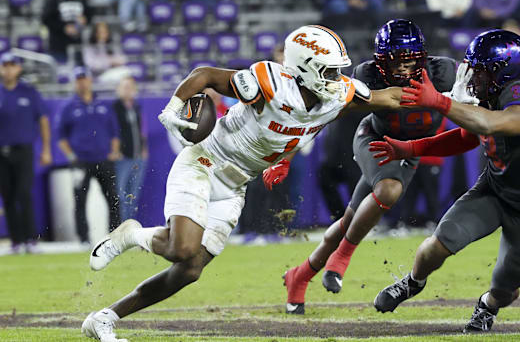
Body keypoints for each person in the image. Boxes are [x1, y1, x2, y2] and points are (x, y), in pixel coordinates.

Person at [80, 25, 404, 342]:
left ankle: (104, 319)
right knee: (182, 249)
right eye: (328, 71)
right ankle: (132, 234)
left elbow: (389, 98)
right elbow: (205, 74)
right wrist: (175, 105)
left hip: (236, 185)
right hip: (205, 163)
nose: (336, 79)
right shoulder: (271, 83)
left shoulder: (338, 95)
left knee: (190, 270)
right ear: (305, 68)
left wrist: (443, 100)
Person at [370, 29, 520, 333]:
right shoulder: (490, 97)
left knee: (506, 289)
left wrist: (439, 102)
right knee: (434, 248)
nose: (472, 78)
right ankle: (412, 282)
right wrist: (411, 148)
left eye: (479, 71)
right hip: (494, 190)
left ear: (500, 71)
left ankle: (487, 306)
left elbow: (491, 123)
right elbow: (465, 138)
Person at [282, 20, 456, 315]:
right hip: (375, 139)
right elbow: (329, 113)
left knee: (350, 220)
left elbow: (475, 103)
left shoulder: (443, 72)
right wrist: (287, 152)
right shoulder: (368, 74)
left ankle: (299, 277)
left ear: (422, 57)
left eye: (409, 60)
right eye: (395, 62)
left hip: (410, 150)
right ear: (380, 61)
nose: (402, 69)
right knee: (389, 191)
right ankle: (342, 259)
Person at [58, 67, 122, 244]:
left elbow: (114, 131)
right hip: (81, 161)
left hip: (104, 159)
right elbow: (61, 136)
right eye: (78, 80)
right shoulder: (68, 108)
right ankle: (84, 238)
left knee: (113, 199)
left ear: (90, 81)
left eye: (84, 79)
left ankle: (115, 236)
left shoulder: (104, 106)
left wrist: (114, 151)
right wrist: (71, 157)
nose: (82, 83)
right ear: (74, 83)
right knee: (80, 201)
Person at [0, 53, 52, 254]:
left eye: (12, 65)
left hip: (23, 151)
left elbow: (43, 120)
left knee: (23, 193)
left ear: (19, 68)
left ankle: (31, 239)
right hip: (2, 153)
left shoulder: (29, 92)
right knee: (9, 196)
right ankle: (16, 241)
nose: (8, 69)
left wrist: (46, 149)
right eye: (5, 65)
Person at [41, 0, 93, 64]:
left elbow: (89, 14)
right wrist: (64, 27)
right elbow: (46, 18)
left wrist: (85, 20)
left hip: (78, 43)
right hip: (58, 45)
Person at [112, 77, 147, 222]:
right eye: (124, 87)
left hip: (137, 156)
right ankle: (121, 225)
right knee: (120, 194)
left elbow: (142, 130)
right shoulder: (115, 108)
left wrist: (144, 148)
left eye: (130, 87)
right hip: (123, 156)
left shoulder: (136, 107)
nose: (127, 90)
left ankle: (129, 224)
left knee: (133, 194)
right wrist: (116, 150)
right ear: (118, 90)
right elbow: (113, 131)